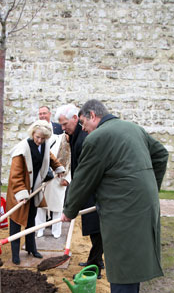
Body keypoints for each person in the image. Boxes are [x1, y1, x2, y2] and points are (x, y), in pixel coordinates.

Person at [61, 99, 169, 293]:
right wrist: (150, 189)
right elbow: (161, 155)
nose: (84, 128)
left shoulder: (98, 138)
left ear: (91, 115)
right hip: (139, 206)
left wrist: (69, 210)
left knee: (122, 265)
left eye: (84, 122)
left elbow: (84, 178)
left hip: (125, 210)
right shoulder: (133, 128)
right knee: (126, 263)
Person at [6, 120, 65, 265]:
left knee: (31, 220)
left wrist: (58, 168)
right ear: (33, 133)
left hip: (33, 189)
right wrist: (21, 193)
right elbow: (16, 175)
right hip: (18, 192)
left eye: (43, 138)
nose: (39, 141)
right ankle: (15, 254)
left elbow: (49, 157)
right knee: (16, 222)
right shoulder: (22, 149)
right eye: (37, 137)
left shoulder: (43, 146)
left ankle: (31, 248)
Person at [55, 103, 104, 278]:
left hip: (92, 190)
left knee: (96, 229)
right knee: (93, 228)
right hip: (87, 188)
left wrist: (72, 203)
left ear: (75, 119)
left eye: (64, 124)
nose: (62, 128)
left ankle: (95, 264)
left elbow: (86, 171)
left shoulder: (84, 138)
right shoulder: (76, 135)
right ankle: (96, 260)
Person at [35, 131, 71, 238]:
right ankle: (39, 229)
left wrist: (68, 180)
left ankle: (56, 231)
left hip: (61, 179)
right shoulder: (55, 139)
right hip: (47, 176)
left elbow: (75, 165)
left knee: (58, 206)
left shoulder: (76, 144)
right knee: (41, 204)